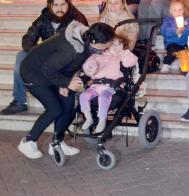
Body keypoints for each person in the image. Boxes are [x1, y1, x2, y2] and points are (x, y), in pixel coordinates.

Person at [17, 22, 115, 160]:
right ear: (94, 41)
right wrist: (66, 82)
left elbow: (73, 64)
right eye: (105, 46)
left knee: (69, 105)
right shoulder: (70, 49)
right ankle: (28, 141)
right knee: (55, 109)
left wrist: (66, 82)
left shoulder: (86, 40)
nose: (107, 48)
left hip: (56, 72)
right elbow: (48, 69)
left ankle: (56, 142)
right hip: (33, 73)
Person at [0, 0, 88, 115]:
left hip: (66, 59)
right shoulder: (44, 18)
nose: (60, 8)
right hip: (47, 57)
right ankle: (19, 101)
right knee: (21, 56)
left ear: (68, 4)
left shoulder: (77, 20)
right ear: (50, 5)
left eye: (63, 4)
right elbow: (28, 39)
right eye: (56, 5)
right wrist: (37, 53)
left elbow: (82, 47)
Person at [79, 35, 138, 134]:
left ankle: (102, 121)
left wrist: (125, 52)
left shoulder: (121, 56)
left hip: (113, 87)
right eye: (113, 44)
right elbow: (89, 65)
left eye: (119, 44)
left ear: (123, 46)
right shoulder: (99, 55)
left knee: (103, 96)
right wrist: (91, 67)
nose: (116, 47)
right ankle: (89, 118)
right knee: (83, 95)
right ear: (108, 45)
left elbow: (131, 62)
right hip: (97, 85)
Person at [160, 0, 189, 72]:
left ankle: (185, 66)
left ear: (183, 10)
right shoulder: (167, 20)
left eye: (180, 10)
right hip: (172, 43)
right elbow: (163, 31)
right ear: (171, 11)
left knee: (188, 52)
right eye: (175, 10)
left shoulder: (187, 21)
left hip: (184, 43)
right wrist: (175, 31)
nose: (178, 12)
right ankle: (166, 63)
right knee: (173, 52)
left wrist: (184, 30)